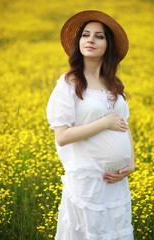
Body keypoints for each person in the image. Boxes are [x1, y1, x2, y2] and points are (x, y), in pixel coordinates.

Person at [46, 10, 135, 240]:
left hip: (116, 186)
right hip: (87, 186)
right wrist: (104, 122)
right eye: (86, 35)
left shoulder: (114, 84)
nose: (91, 40)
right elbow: (62, 136)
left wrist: (131, 163)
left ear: (109, 45)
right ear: (79, 42)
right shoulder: (69, 83)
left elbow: (124, 125)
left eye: (99, 36)